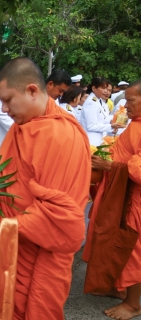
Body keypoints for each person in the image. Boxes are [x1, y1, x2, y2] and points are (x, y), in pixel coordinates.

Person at [0, 57, 91, 319]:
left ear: (32, 90)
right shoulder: (21, 129)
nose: (3, 108)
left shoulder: (61, 135)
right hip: (10, 248)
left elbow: (61, 220)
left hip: (40, 256)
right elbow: (5, 186)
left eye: (8, 100)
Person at [84, 81, 141, 320]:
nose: (125, 105)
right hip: (120, 192)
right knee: (114, 240)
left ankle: (133, 304)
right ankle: (119, 288)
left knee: (131, 248)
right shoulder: (136, 124)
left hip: (133, 199)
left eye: (131, 101)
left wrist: (110, 165)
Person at [80, 77, 124, 145]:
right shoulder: (91, 102)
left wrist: (114, 120)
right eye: (103, 88)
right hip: (91, 141)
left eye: (106, 88)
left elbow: (103, 119)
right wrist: (111, 126)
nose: (106, 91)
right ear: (94, 88)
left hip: (100, 139)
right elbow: (91, 126)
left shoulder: (99, 101)